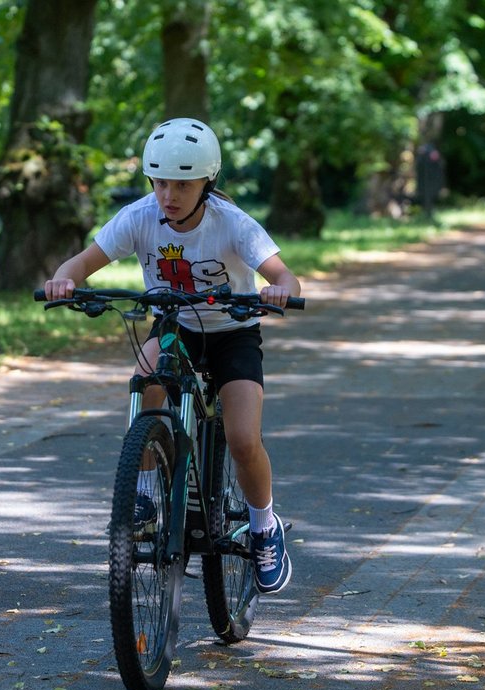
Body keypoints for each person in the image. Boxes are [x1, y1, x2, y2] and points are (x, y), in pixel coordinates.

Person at [43, 118, 301, 594]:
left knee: (244, 438)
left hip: (232, 332)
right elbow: (81, 263)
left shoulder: (234, 224)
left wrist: (280, 291)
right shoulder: (139, 217)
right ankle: (143, 496)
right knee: (145, 378)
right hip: (174, 325)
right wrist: (65, 280)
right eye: (160, 182)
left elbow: (285, 276)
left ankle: (265, 525)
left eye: (182, 184)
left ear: (208, 183)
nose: (169, 194)